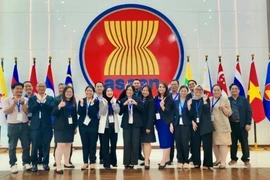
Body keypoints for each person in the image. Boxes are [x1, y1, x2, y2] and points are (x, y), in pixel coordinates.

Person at [3, 82, 31, 173]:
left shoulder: (26, 99)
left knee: (26, 145)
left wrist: (23, 104)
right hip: (12, 125)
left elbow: (27, 112)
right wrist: (14, 103)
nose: (19, 90)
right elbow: (6, 111)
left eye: (20, 89)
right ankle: (13, 164)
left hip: (24, 125)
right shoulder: (7, 100)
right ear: (12, 90)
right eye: (17, 89)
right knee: (12, 146)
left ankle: (26, 163)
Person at [28, 81, 54, 172]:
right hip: (35, 126)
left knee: (46, 145)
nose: (41, 88)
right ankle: (34, 163)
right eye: (39, 86)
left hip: (47, 125)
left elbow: (51, 108)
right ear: (36, 87)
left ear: (45, 87)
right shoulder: (32, 98)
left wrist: (44, 101)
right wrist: (39, 101)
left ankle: (45, 163)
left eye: (43, 86)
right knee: (34, 146)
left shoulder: (50, 98)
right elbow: (31, 109)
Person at [187, 84, 214, 170]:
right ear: (193, 91)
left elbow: (207, 112)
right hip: (195, 125)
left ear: (202, 91)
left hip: (205, 125)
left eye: (200, 90)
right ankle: (196, 162)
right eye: (196, 90)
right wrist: (188, 107)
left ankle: (207, 163)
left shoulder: (205, 99)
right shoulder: (192, 100)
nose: (198, 92)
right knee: (195, 145)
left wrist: (205, 102)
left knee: (207, 145)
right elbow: (190, 115)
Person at [52, 86, 77, 174]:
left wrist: (75, 127)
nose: (69, 93)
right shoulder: (58, 100)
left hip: (70, 127)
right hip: (60, 127)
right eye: (67, 91)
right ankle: (58, 166)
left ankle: (67, 162)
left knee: (68, 144)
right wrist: (59, 106)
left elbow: (74, 116)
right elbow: (53, 113)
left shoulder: (73, 102)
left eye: (71, 92)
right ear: (64, 92)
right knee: (60, 145)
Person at [119, 79, 145, 161]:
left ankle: (133, 161)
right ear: (126, 91)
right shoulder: (123, 100)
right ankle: (126, 162)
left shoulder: (138, 99)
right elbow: (120, 113)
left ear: (133, 92)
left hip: (136, 124)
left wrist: (136, 104)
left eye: (131, 90)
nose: (129, 91)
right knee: (126, 143)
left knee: (135, 143)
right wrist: (124, 104)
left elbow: (142, 110)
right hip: (126, 124)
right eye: (128, 90)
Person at [228, 83, 252, 167]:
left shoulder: (244, 100)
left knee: (244, 142)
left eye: (235, 89)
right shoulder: (227, 100)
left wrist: (248, 123)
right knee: (233, 143)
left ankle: (246, 159)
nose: (234, 90)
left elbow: (249, 112)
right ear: (230, 90)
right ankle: (233, 158)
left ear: (238, 90)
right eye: (232, 89)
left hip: (242, 125)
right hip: (232, 125)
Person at [78, 86, 100, 170]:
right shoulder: (81, 101)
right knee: (85, 144)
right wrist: (82, 105)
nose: (89, 92)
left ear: (93, 92)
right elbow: (80, 113)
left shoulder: (96, 101)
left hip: (93, 125)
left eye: (91, 91)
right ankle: (85, 162)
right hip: (83, 125)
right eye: (87, 90)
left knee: (92, 144)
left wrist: (91, 105)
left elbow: (93, 114)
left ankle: (92, 162)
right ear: (85, 92)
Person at [211, 84, 232, 169]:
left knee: (223, 143)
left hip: (222, 124)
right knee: (214, 143)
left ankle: (223, 161)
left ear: (221, 91)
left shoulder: (224, 99)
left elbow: (229, 113)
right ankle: (218, 159)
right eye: (214, 90)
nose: (216, 92)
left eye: (218, 90)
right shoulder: (209, 99)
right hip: (212, 125)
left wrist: (223, 108)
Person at [99, 87, 120, 169]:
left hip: (114, 127)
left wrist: (113, 104)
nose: (109, 92)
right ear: (105, 92)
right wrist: (106, 104)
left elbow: (118, 111)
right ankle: (106, 163)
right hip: (105, 127)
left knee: (114, 145)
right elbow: (102, 113)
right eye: (108, 91)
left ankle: (113, 162)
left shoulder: (115, 100)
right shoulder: (101, 101)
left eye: (111, 91)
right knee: (105, 145)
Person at [23, 81, 43, 165]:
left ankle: (39, 159)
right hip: (25, 123)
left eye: (29, 86)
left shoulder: (37, 97)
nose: (28, 88)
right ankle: (28, 161)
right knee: (27, 143)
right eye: (26, 87)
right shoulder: (22, 98)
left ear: (33, 87)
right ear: (24, 88)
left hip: (36, 123)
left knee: (39, 142)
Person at [155, 82, 174, 170]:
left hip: (166, 122)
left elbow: (169, 112)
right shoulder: (156, 98)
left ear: (166, 88)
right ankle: (167, 159)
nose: (161, 88)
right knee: (163, 140)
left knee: (166, 141)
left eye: (163, 87)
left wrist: (163, 106)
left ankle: (163, 160)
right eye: (160, 87)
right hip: (159, 122)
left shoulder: (169, 98)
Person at [173, 85, 192, 169]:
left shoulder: (190, 101)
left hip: (186, 124)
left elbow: (192, 114)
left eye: (185, 91)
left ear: (187, 92)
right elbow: (173, 113)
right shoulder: (175, 102)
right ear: (179, 92)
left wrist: (189, 107)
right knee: (178, 142)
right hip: (177, 124)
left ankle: (186, 160)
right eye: (182, 91)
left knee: (185, 143)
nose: (183, 92)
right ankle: (180, 160)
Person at [140, 85, 156, 170]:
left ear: (149, 92)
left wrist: (149, 126)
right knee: (143, 143)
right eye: (143, 90)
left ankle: (146, 161)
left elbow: (151, 114)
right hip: (140, 125)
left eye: (147, 90)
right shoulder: (141, 99)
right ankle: (146, 159)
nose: (145, 92)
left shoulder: (151, 101)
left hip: (147, 125)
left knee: (147, 143)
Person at [168, 79, 179, 165]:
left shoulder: (182, 95)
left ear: (178, 86)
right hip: (169, 121)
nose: (174, 86)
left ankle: (180, 158)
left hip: (179, 121)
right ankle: (169, 158)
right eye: (172, 85)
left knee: (179, 141)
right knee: (170, 140)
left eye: (175, 84)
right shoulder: (168, 96)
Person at [187, 79, 197, 163]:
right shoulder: (187, 96)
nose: (191, 85)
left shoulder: (201, 94)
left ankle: (196, 155)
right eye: (189, 84)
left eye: (193, 84)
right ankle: (192, 155)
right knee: (191, 139)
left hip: (200, 121)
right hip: (190, 120)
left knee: (196, 140)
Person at [95, 81, 104, 164]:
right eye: (97, 86)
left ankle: (102, 157)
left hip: (103, 122)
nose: (99, 88)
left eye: (101, 86)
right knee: (93, 140)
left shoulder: (105, 99)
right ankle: (93, 157)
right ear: (95, 88)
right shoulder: (92, 98)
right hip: (94, 122)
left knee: (103, 140)